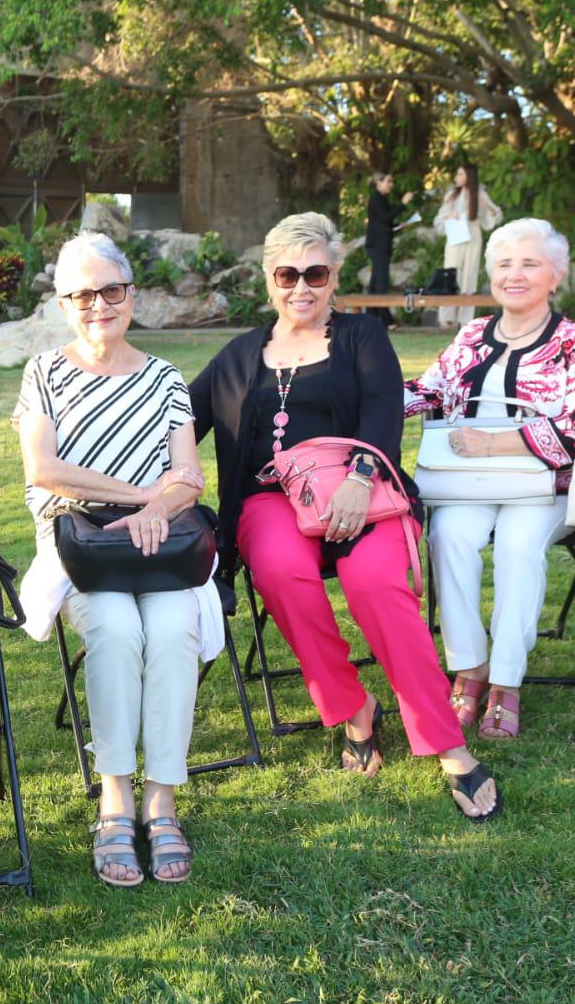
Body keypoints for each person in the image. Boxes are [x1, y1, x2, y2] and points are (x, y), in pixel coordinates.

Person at [189, 211, 502, 822]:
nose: (301, 287)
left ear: (335, 277)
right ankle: (354, 708)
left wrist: (361, 477)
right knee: (278, 570)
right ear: (268, 278)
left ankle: (446, 742)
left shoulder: (362, 338)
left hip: (363, 490)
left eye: (316, 273)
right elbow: (178, 415)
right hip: (269, 501)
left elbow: (385, 412)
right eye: (287, 274)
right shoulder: (239, 355)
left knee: (377, 583)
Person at [14, 231, 216, 887]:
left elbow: (189, 473)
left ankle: (161, 796)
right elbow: (44, 469)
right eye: (83, 294)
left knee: (169, 627)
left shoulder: (162, 377)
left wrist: (157, 511)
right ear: (63, 304)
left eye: (111, 290)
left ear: (131, 295)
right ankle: (114, 795)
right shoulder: (43, 372)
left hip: (158, 544)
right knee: (115, 628)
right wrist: (138, 498)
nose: (99, 304)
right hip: (83, 545)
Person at [405, 218, 575, 739]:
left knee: (518, 546)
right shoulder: (471, 335)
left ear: (555, 275)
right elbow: (427, 390)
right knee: (449, 535)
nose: (514, 274)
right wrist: (366, 398)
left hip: (543, 485)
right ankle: (470, 668)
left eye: (530, 263)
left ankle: (507, 684)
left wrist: (499, 441)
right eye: (504, 264)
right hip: (468, 481)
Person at [433, 164, 503, 328]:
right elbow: (440, 217)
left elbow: (494, 215)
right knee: (451, 272)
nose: (457, 177)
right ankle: (447, 317)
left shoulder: (479, 194)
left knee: (469, 275)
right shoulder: (452, 195)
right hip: (455, 234)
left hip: (472, 234)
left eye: (460, 174)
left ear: (468, 176)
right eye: (457, 174)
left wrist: (488, 208)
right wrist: (451, 215)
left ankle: (465, 318)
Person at [364, 172, 414, 329]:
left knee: (375, 284)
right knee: (381, 283)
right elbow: (386, 217)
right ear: (379, 182)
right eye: (388, 181)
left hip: (381, 245)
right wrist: (403, 204)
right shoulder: (376, 198)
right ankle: (386, 319)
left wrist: (399, 225)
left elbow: (385, 223)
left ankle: (370, 317)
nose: (391, 185)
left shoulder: (382, 199)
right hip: (378, 246)